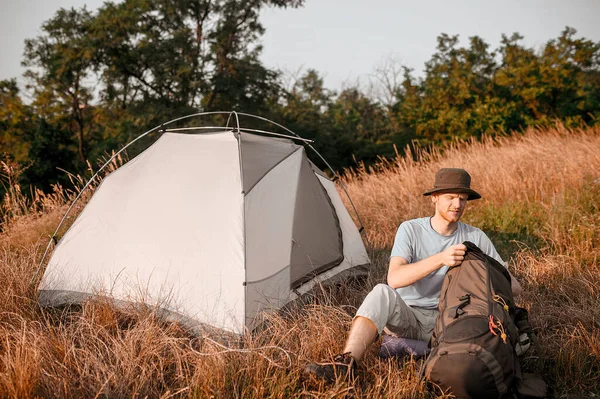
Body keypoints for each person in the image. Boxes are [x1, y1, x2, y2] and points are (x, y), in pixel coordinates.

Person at [304, 168, 522, 383]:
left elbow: (514, 288)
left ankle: (407, 350)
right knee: (381, 292)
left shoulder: (475, 236)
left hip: (451, 323)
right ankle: (346, 363)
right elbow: (395, 278)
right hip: (409, 317)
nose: (457, 205)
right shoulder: (411, 229)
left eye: (463, 199)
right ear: (434, 198)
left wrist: (488, 269)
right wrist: (441, 259)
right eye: (451, 197)